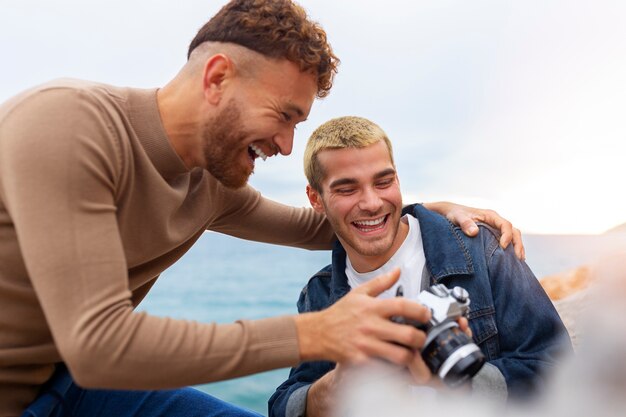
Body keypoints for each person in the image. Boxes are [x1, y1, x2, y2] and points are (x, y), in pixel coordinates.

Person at [0, 1, 523, 416]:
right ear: (217, 78)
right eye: (283, 115)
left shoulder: (211, 184)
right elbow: (99, 342)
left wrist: (424, 211)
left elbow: (327, 228)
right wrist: (316, 333)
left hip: (75, 385)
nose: (288, 145)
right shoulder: (68, 125)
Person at [269, 116, 572, 417]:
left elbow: (558, 367)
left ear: (398, 179)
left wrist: (462, 381)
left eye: (384, 182)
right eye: (347, 189)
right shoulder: (318, 294)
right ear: (315, 198)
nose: (372, 202)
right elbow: (283, 404)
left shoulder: (482, 249)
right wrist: (333, 388)